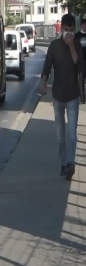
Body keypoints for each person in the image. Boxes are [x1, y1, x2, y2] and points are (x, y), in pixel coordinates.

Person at [41, 13, 85, 180]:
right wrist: (44, 82)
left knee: (72, 132)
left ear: (74, 30)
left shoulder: (77, 45)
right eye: (66, 30)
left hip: (73, 95)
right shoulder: (54, 46)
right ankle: (63, 162)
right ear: (61, 30)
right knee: (60, 134)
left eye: (71, 30)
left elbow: (79, 65)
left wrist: (72, 46)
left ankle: (70, 163)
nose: (68, 33)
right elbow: (47, 66)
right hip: (58, 96)